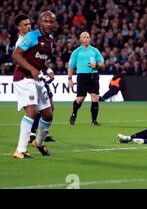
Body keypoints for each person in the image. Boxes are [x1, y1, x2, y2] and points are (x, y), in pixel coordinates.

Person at [12, 11, 57, 158]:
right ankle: (20, 150)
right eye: (46, 21)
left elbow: (38, 60)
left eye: (51, 22)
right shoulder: (31, 36)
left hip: (35, 79)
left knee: (48, 115)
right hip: (23, 78)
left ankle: (38, 143)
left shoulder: (50, 42)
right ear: (40, 22)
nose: (49, 24)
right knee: (31, 112)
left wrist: (46, 69)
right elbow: (16, 55)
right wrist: (32, 69)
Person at [68, 31, 105, 126]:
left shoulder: (94, 50)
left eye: (88, 37)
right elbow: (71, 66)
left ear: (90, 39)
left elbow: (102, 63)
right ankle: (74, 114)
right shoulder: (76, 52)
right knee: (80, 98)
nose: (86, 39)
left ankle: (94, 121)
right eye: (84, 37)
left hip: (93, 75)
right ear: (80, 39)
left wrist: (96, 65)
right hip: (82, 76)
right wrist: (70, 79)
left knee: (95, 97)